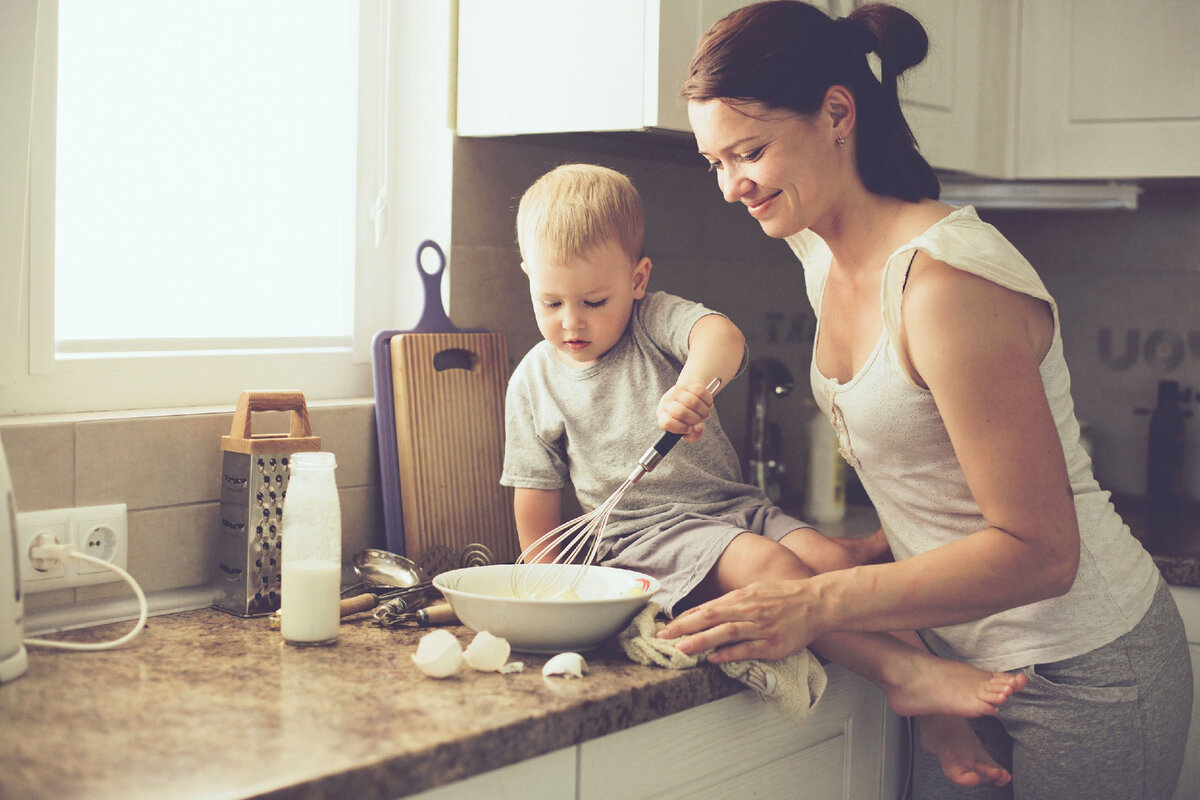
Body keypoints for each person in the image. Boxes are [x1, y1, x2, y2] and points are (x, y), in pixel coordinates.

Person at [655, 2, 1194, 797]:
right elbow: (939, 465)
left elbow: (1044, 549)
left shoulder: (944, 285)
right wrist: (874, 548)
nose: (733, 187)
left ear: (838, 113)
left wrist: (816, 603)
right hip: (955, 663)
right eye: (714, 161)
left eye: (751, 152)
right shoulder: (817, 247)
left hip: (1087, 673)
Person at [501, 162, 1026, 740]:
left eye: (595, 301)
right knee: (774, 570)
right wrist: (555, 609)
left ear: (637, 278)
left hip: (733, 507)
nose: (571, 322)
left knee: (836, 565)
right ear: (528, 278)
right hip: (645, 537)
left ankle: (940, 724)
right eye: (551, 303)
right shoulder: (532, 383)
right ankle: (901, 673)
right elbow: (538, 531)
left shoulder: (652, 323)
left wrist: (693, 385)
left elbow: (721, 337)